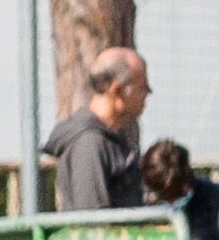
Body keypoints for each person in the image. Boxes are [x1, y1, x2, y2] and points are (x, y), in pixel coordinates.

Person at [41, 46, 151, 214]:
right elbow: (92, 223)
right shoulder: (89, 143)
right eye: (142, 86)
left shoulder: (111, 138)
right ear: (117, 90)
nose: (149, 92)